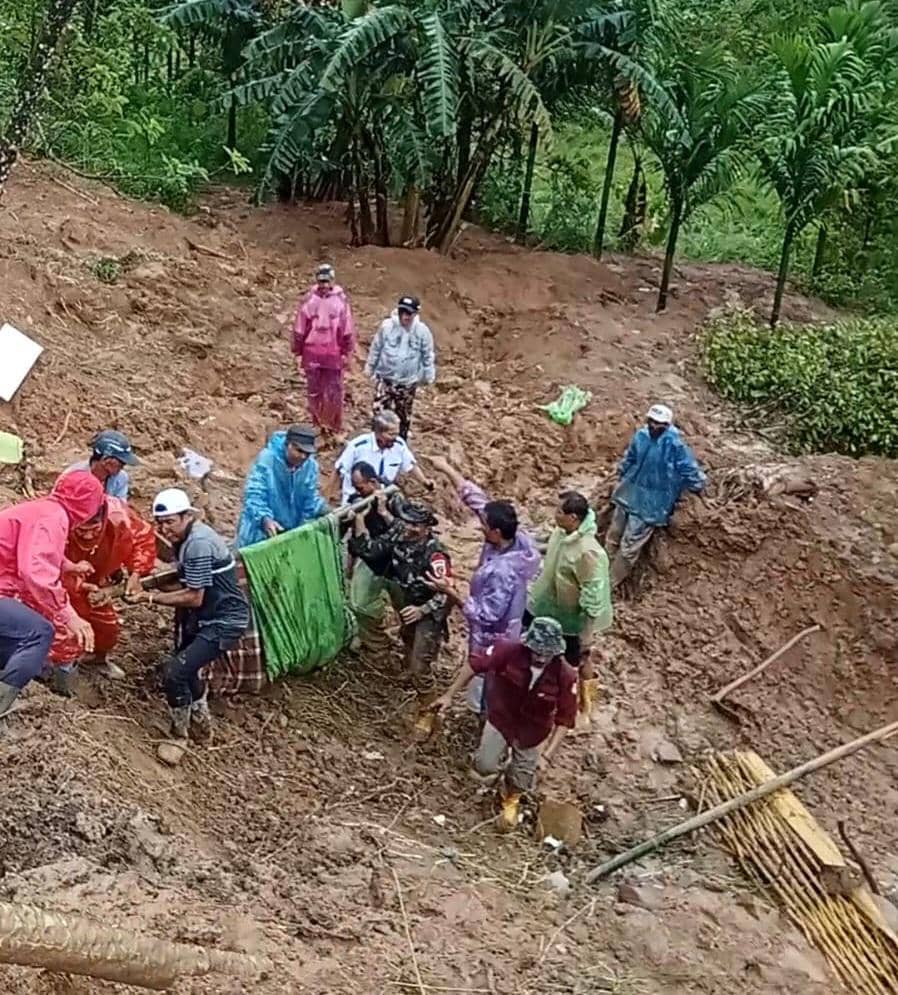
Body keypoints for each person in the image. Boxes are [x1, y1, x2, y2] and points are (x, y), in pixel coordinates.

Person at [129, 488, 249, 760]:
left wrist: (149, 598)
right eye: (160, 523)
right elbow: (180, 578)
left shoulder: (197, 544)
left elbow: (194, 596)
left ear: (186, 517)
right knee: (188, 668)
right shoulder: (184, 539)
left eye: (170, 522)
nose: (165, 529)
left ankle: (179, 735)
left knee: (175, 672)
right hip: (205, 615)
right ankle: (202, 728)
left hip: (222, 620)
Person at [432, 617, 577, 830]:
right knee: (484, 766)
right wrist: (448, 695)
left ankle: (510, 797)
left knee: (524, 781)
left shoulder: (565, 675)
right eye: (537, 651)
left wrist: (547, 755)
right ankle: (493, 772)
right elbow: (474, 664)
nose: (540, 657)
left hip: (532, 731)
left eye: (546, 654)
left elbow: (565, 719)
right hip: (502, 718)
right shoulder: (508, 651)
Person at [426, 456, 541, 708]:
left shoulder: (503, 572)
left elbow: (486, 616)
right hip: (510, 615)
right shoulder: (518, 539)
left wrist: (452, 592)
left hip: (495, 635)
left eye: (484, 526)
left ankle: (484, 711)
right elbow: (478, 501)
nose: (480, 527)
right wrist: (446, 468)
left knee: (487, 676)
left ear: (497, 532)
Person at [0, 471, 104, 717]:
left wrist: (67, 566)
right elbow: (35, 571)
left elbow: (31, 548)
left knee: (17, 637)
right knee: (39, 632)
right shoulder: (53, 518)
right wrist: (68, 615)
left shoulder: (44, 510)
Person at [47, 496, 158, 695]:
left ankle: (97, 660)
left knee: (107, 628)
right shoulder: (54, 521)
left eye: (94, 529)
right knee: (63, 626)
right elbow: (45, 566)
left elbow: (144, 540)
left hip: (99, 577)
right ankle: (55, 671)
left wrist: (136, 573)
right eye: (82, 530)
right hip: (62, 578)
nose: (89, 536)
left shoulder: (120, 517)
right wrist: (77, 584)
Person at [525, 491, 612, 725]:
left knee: (575, 663)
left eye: (559, 511)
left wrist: (587, 634)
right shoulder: (561, 533)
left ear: (573, 517)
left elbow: (593, 596)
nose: (554, 514)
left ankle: (582, 704)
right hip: (545, 607)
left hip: (571, 621)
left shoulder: (588, 552)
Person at [348, 496, 450, 691]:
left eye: (415, 525)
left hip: (429, 611)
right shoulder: (399, 533)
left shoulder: (436, 555)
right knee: (409, 642)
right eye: (406, 521)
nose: (409, 527)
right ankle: (410, 675)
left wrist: (423, 610)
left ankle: (427, 705)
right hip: (408, 602)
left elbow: (447, 594)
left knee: (421, 664)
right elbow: (369, 550)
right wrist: (359, 519)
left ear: (427, 529)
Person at [606, 403, 706, 587]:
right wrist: (620, 473)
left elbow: (689, 469)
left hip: (652, 504)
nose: (653, 426)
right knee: (613, 536)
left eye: (658, 423)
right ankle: (600, 575)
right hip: (629, 492)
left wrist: (698, 486)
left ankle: (609, 585)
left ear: (667, 425)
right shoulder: (641, 436)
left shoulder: (675, 445)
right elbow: (630, 457)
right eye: (651, 421)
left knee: (629, 548)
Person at [236, 424, 329, 548]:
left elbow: (310, 499)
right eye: (299, 451)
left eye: (307, 453)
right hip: (259, 533)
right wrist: (265, 518)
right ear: (287, 444)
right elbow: (255, 493)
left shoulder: (310, 466)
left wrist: (323, 510)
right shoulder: (267, 459)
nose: (303, 457)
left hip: (289, 532)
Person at [292, 263, 356, 434]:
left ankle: (328, 425)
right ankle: (322, 424)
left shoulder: (330, 301)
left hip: (326, 353)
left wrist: (347, 351)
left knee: (329, 390)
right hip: (319, 353)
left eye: (326, 281)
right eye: (321, 281)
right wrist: (297, 350)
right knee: (320, 389)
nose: (324, 285)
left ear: (332, 281)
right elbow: (300, 329)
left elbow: (346, 330)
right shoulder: (319, 301)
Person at [366, 295, 436, 439]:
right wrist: (370, 367)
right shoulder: (387, 327)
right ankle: (376, 441)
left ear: (415, 314)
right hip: (385, 378)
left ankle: (399, 444)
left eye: (408, 313)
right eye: (402, 312)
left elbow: (427, 354)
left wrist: (428, 375)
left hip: (406, 382)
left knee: (403, 416)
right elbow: (376, 348)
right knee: (379, 412)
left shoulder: (422, 332)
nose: (405, 316)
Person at [335, 411, 432, 504]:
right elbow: (338, 471)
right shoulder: (358, 446)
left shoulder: (399, 445)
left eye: (396, 433)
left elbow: (410, 466)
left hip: (383, 501)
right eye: (391, 434)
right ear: (378, 432)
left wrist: (424, 482)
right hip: (356, 501)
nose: (395, 438)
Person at [64, 429, 139, 499]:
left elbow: (120, 507)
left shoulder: (121, 478)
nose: (123, 465)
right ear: (105, 459)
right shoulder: (72, 476)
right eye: (121, 461)